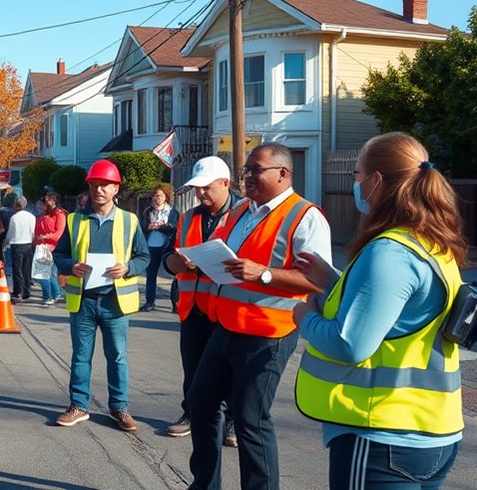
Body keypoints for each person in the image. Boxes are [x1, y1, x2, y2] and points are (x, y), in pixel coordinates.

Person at [293, 132, 466, 489]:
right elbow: (400, 314)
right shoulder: (432, 243)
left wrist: (304, 319)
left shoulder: (389, 251)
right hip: (431, 432)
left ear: (375, 181)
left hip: (381, 436)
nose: (355, 183)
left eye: (356, 175)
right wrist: (332, 281)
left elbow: (349, 345)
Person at [186, 143, 333, 490]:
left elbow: (318, 280)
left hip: (269, 333)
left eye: (256, 170)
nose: (247, 176)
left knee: (251, 420)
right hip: (226, 326)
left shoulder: (305, 216)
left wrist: (264, 274)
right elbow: (225, 257)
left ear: (283, 173)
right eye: (245, 170)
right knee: (201, 403)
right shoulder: (240, 212)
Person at [52, 159, 150, 432]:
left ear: (116, 188)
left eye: (104, 184)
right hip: (83, 301)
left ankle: (119, 408)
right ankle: (78, 406)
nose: (98, 190)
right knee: (81, 356)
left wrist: (128, 268)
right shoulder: (75, 219)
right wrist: (71, 265)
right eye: (94, 185)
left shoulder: (130, 221)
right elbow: (58, 254)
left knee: (118, 356)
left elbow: (144, 257)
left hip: (115, 302)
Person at [161, 156, 239, 444]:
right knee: (192, 368)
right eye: (197, 188)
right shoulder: (187, 217)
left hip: (227, 309)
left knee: (229, 371)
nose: (201, 193)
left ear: (225, 183)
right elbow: (170, 257)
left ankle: (231, 421)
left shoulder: (242, 215)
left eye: (207, 187)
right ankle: (191, 413)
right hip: (192, 308)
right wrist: (177, 263)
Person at [140, 186, 179, 312]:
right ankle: (150, 302)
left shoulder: (172, 211)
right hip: (151, 246)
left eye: (161, 195)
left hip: (168, 246)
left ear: (166, 197)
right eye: (156, 195)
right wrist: (149, 226)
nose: (158, 198)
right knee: (151, 275)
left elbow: (175, 227)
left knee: (174, 275)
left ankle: (176, 303)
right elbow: (142, 226)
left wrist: (160, 227)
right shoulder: (148, 211)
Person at [34, 192, 67, 308]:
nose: (46, 202)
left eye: (48, 200)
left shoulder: (59, 214)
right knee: (43, 273)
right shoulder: (44, 215)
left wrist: (47, 237)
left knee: (48, 273)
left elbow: (59, 233)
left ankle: (53, 295)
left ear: (54, 201)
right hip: (43, 247)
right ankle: (54, 294)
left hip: (53, 247)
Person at [4, 196, 36, 303]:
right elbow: (33, 232)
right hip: (28, 244)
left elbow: (10, 232)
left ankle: (18, 291)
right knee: (26, 268)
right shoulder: (32, 217)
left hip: (17, 244)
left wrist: (6, 241)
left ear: (16, 206)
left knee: (17, 269)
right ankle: (27, 290)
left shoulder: (14, 218)